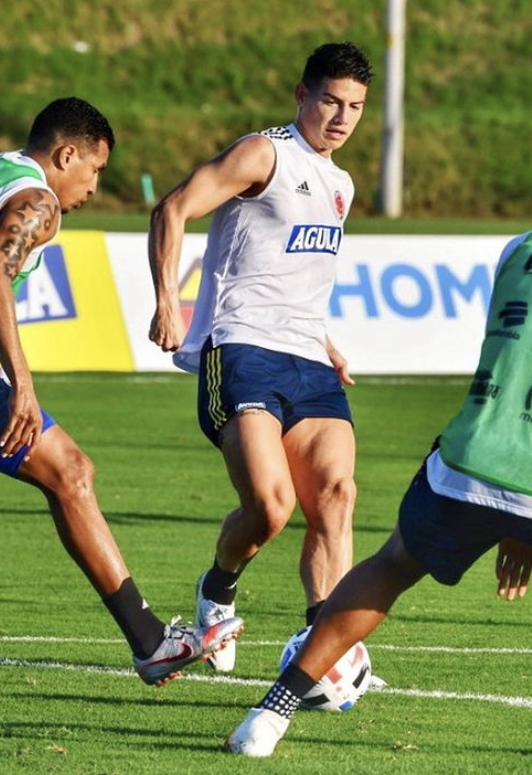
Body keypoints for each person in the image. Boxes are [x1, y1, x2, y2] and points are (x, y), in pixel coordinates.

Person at [225, 129, 532, 755]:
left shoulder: (521, 249)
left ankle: (268, 717)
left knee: (390, 566)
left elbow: (527, 358)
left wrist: (516, 523)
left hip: (463, 466)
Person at [0, 96, 242, 688]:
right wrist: (22, 386)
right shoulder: (37, 198)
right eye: (94, 170)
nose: (93, 186)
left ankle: (151, 643)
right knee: (71, 472)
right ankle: (151, 643)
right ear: (66, 154)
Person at [147, 42, 373, 672]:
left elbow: (297, 272)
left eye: (355, 105)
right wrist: (169, 299)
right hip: (242, 347)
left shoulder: (342, 184)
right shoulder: (264, 153)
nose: (342, 116)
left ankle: (325, 652)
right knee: (271, 509)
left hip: (308, 359)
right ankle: (217, 589)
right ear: (301, 94)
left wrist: (324, 341)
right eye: (330, 99)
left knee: (336, 494)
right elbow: (173, 207)